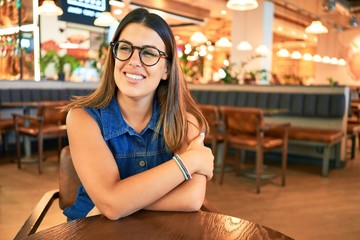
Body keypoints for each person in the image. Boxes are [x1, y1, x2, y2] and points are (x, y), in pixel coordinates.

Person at [61, 8, 214, 221]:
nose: (133, 60)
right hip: (91, 229)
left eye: (149, 53)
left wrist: (119, 201)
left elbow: (192, 199)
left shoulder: (186, 122)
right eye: (125, 48)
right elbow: (112, 205)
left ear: (166, 70)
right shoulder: (82, 118)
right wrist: (190, 162)